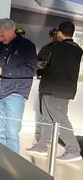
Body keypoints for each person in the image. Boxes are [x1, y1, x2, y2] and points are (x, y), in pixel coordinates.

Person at [27, 20, 82, 162]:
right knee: (48, 117)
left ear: (60, 32)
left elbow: (52, 68)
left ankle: (73, 150)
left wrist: (41, 67)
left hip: (53, 89)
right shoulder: (77, 49)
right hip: (62, 90)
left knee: (60, 119)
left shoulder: (57, 48)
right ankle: (42, 146)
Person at [0, 18, 37, 153]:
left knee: (12, 133)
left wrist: (4, 71)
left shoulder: (27, 46)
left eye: (2, 35)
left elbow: (31, 69)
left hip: (15, 94)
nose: (0, 38)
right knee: (1, 133)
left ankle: (13, 163)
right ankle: (3, 161)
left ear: (12, 30)